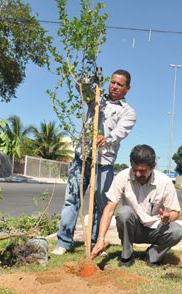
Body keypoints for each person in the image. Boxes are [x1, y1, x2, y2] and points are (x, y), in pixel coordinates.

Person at [52, 69, 137, 255]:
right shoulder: (97, 98)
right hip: (82, 157)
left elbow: (121, 132)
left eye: (119, 85)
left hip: (104, 163)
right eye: (112, 82)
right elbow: (81, 87)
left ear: (127, 88)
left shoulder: (128, 112)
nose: (114, 86)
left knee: (101, 205)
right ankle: (64, 242)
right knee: (71, 200)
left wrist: (107, 138)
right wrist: (91, 79)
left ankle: (93, 243)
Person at [90, 145, 182, 267]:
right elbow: (109, 209)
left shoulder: (165, 182)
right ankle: (127, 256)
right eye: (135, 170)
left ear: (153, 166)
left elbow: (175, 212)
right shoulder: (123, 176)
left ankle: (151, 256)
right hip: (132, 228)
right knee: (124, 213)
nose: (138, 174)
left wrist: (169, 217)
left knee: (177, 231)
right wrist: (100, 240)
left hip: (155, 229)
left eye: (143, 171)